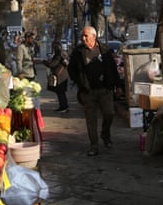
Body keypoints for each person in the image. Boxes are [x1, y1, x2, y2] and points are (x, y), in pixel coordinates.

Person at [67, 26, 123, 156]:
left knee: (109, 114)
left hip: (105, 89)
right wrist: (80, 82)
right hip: (88, 91)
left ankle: (105, 134)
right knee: (91, 120)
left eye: (86, 36)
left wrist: (118, 85)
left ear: (94, 36)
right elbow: (71, 69)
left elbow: (113, 68)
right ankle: (94, 145)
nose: (83, 38)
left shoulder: (104, 50)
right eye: (82, 36)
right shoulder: (78, 52)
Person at [43, 41, 69, 113]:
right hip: (63, 76)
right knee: (61, 92)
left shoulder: (58, 55)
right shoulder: (63, 54)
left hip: (60, 77)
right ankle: (63, 106)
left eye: (54, 47)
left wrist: (44, 62)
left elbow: (52, 65)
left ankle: (63, 107)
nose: (53, 49)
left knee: (60, 92)